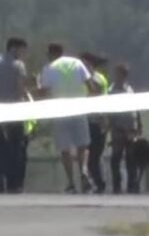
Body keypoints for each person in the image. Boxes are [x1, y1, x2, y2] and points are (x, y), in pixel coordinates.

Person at [40, 43, 97, 193]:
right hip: (79, 109)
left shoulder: (49, 68)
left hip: (60, 111)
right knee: (83, 145)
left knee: (65, 149)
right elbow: (91, 86)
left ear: (51, 54)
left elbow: (44, 91)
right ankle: (83, 170)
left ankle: (71, 182)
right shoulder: (77, 63)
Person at [0, 37, 29, 193]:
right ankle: (14, 184)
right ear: (14, 48)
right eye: (22, 49)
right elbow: (20, 89)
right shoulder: (18, 65)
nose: (23, 53)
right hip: (15, 111)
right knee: (16, 148)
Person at [108, 63, 142, 194]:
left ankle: (132, 185)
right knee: (116, 157)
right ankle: (117, 185)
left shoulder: (130, 90)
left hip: (131, 127)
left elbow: (136, 107)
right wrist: (111, 125)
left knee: (131, 158)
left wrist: (139, 123)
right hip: (118, 127)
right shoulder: (111, 91)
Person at [81, 52, 110, 193]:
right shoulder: (90, 78)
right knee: (90, 156)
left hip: (96, 121)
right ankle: (97, 183)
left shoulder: (96, 79)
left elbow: (98, 95)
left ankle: (100, 184)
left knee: (94, 157)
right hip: (88, 120)